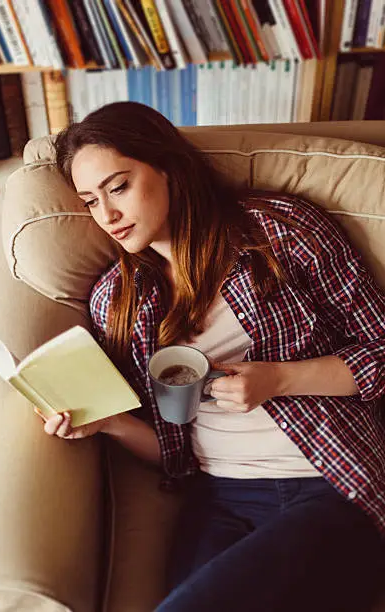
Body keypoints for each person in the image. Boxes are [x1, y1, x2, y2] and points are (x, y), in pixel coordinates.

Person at [38, 101, 385, 612]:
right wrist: (106, 423)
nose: (107, 216)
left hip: (329, 482)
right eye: (90, 201)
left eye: (118, 187)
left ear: (170, 170)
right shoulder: (119, 301)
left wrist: (278, 380)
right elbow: (173, 447)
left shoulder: (280, 233)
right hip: (218, 497)